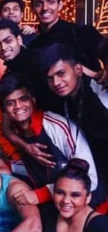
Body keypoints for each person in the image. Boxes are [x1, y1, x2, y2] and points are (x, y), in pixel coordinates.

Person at [0, 73, 100, 206]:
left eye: (23, 99)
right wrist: (6, 167)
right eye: (10, 103)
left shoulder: (58, 127)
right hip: (57, 205)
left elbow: (90, 178)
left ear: (33, 100)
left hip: (89, 206)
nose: (18, 106)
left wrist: (40, 195)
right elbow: (34, 168)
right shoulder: (18, 134)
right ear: (4, 109)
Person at [39, 44, 108, 182]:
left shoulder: (101, 93)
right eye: (50, 78)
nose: (56, 82)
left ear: (78, 70)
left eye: (61, 73)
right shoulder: (64, 100)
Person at [28, 0, 103, 72]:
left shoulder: (83, 32)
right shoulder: (33, 46)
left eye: (51, 2)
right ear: (32, 9)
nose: (45, 8)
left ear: (60, 5)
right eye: (39, 4)